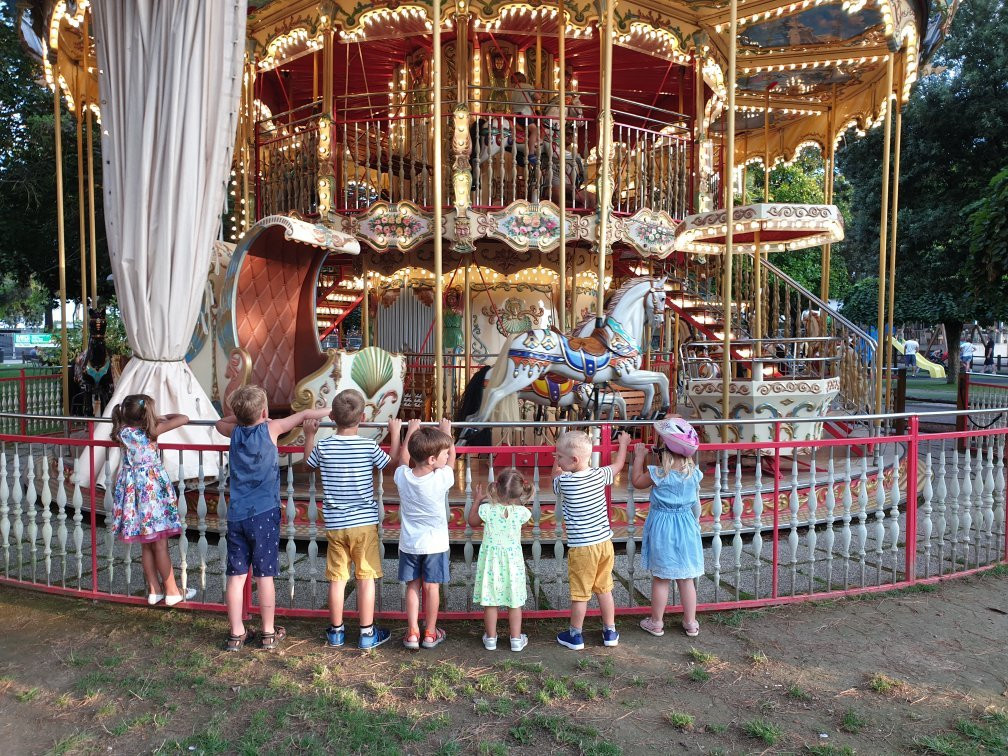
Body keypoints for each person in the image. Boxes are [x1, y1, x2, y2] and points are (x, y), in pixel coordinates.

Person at [215, 385, 328, 652]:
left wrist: (239, 417)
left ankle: (236, 633)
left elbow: (220, 421)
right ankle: (267, 632)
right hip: (264, 513)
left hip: (237, 514)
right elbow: (303, 415)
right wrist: (331, 410)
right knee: (264, 575)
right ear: (264, 411)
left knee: (236, 576)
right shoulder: (271, 428)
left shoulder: (233, 431)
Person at [304, 390, 401, 650]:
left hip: (336, 523)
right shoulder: (368, 446)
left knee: (337, 578)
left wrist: (311, 435)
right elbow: (390, 463)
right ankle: (367, 633)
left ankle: (336, 632)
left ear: (333, 417)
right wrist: (396, 432)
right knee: (365, 577)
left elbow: (308, 464)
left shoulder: (324, 446)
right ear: (364, 417)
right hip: (364, 523)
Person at [109, 394, 194, 607]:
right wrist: (162, 417)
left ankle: (154, 590)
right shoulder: (152, 431)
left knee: (146, 545)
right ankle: (173, 591)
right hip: (152, 494)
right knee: (161, 545)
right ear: (148, 414)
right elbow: (184, 418)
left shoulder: (122, 432)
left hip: (133, 494)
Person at [552, 429, 631, 650]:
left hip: (583, 548)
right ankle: (610, 631)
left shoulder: (565, 482)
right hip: (605, 544)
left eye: (559, 456)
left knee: (580, 593)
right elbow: (618, 466)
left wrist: (555, 463)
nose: (557, 459)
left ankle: (575, 635)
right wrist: (622, 444)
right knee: (604, 589)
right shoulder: (599, 475)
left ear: (574, 460)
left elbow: (554, 476)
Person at [630, 418, 704, 638]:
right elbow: (695, 502)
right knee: (686, 578)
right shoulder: (694, 473)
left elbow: (636, 481)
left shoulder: (659, 473)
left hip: (663, 528)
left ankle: (656, 622)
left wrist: (640, 457)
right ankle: (690, 623)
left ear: (664, 450)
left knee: (661, 578)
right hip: (687, 526)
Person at [395, 418, 456, 650]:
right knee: (432, 587)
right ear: (432, 460)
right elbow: (452, 461)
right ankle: (430, 632)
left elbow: (402, 459)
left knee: (413, 586)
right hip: (436, 544)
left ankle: (412, 632)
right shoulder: (441, 478)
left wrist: (410, 430)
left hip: (410, 544)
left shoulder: (403, 477)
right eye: (443, 453)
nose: (446, 455)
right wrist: (447, 432)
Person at [467, 468, 533, 652]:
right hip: (513, 563)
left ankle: (490, 638)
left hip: (491, 563)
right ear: (519, 491)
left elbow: (471, 521)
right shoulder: (521, 512)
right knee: (515, 602)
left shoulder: (487, 510)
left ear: (496, 487)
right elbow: (526, 521)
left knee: (491, 601)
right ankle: (516, 639)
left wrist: (478, 500)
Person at [510, 71, 540, 166]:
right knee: (535, 129)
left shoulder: (514, 90)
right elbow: (537, 97)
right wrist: (539, 89)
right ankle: (531, 153)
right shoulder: (526, 86)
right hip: (524, 113)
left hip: (516, 114)